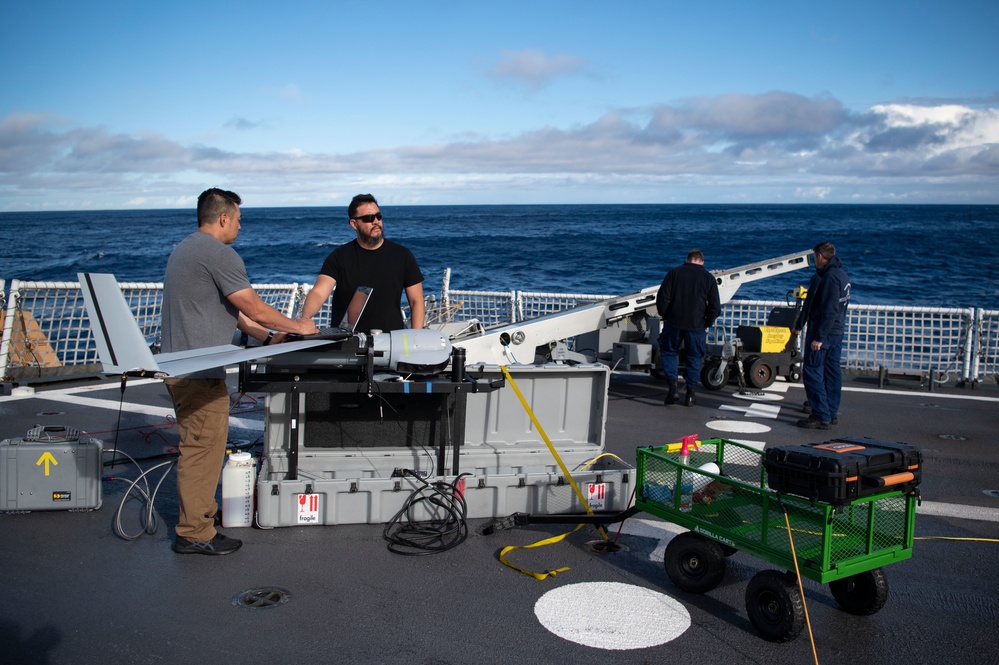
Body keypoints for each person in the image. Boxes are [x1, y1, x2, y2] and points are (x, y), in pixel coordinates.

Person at [161, 188, 318, 555]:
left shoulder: (186, 248)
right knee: (202, 450)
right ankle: (193, 533)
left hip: (180, 366)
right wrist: (299, 327)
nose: (240, 227)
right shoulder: (220, 253)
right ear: (223, 218)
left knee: (202, 446)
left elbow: (238, 315)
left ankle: (201, 515)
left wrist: (267, 339)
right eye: (239, 219)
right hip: (196, 372)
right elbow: (253, 306)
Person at [299, 194, 425, 332]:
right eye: (369, 218)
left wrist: (416, 337)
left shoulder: (402, 255)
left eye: (378, 216)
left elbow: (416, 301)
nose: (376, 221)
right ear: (354, 224)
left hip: (391, 342)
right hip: (346, 341)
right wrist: (305, 318)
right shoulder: (339, 257)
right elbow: (318, 293)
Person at [793, 241, 851, 429]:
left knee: (813, 371)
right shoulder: (842, 275)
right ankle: (831, 411)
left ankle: (821, 414)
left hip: (823, 332)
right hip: (837, 332)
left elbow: (828, 311)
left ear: (819, 256)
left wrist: (819, 337)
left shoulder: (827, 278)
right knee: (832, 372)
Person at [656, 249, 721, 407]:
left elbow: (662, 298)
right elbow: (715, 307)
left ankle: (673, 388)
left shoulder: (674, 273)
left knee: (669, 352)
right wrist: (707, 321)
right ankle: (690, 394)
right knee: (694, 357)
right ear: (702, 261)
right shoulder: (708, 278)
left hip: (674, 322)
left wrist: (665, 315)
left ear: (687, 259)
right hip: (696, 324)